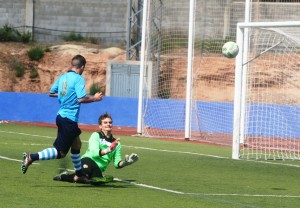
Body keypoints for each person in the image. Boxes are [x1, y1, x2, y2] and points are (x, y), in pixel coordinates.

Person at [21, 54, 103, 182]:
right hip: (68, 119)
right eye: (83, 69)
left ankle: (79, 173)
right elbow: (81, 98)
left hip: (61, 116)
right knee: (60, 152)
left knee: (77, 144)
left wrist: (65, 95)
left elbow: (51, 93)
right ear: (82, 67)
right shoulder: (78, 79)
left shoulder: (63, 77)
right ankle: (31, 157)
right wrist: (95, 98)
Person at [53, 112, 139, 184]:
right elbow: (94, 153)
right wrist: (109, 149)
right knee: (84, 177)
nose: (108, 124)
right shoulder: (96, 135)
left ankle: (75, 176)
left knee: (94, 182)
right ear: (100, 126)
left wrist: (126, 163)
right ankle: (63, 176)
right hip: (88, 160)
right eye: (105, 123)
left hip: (99, 168)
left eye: (110, 122)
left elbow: (117, 164)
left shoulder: (117, 143)